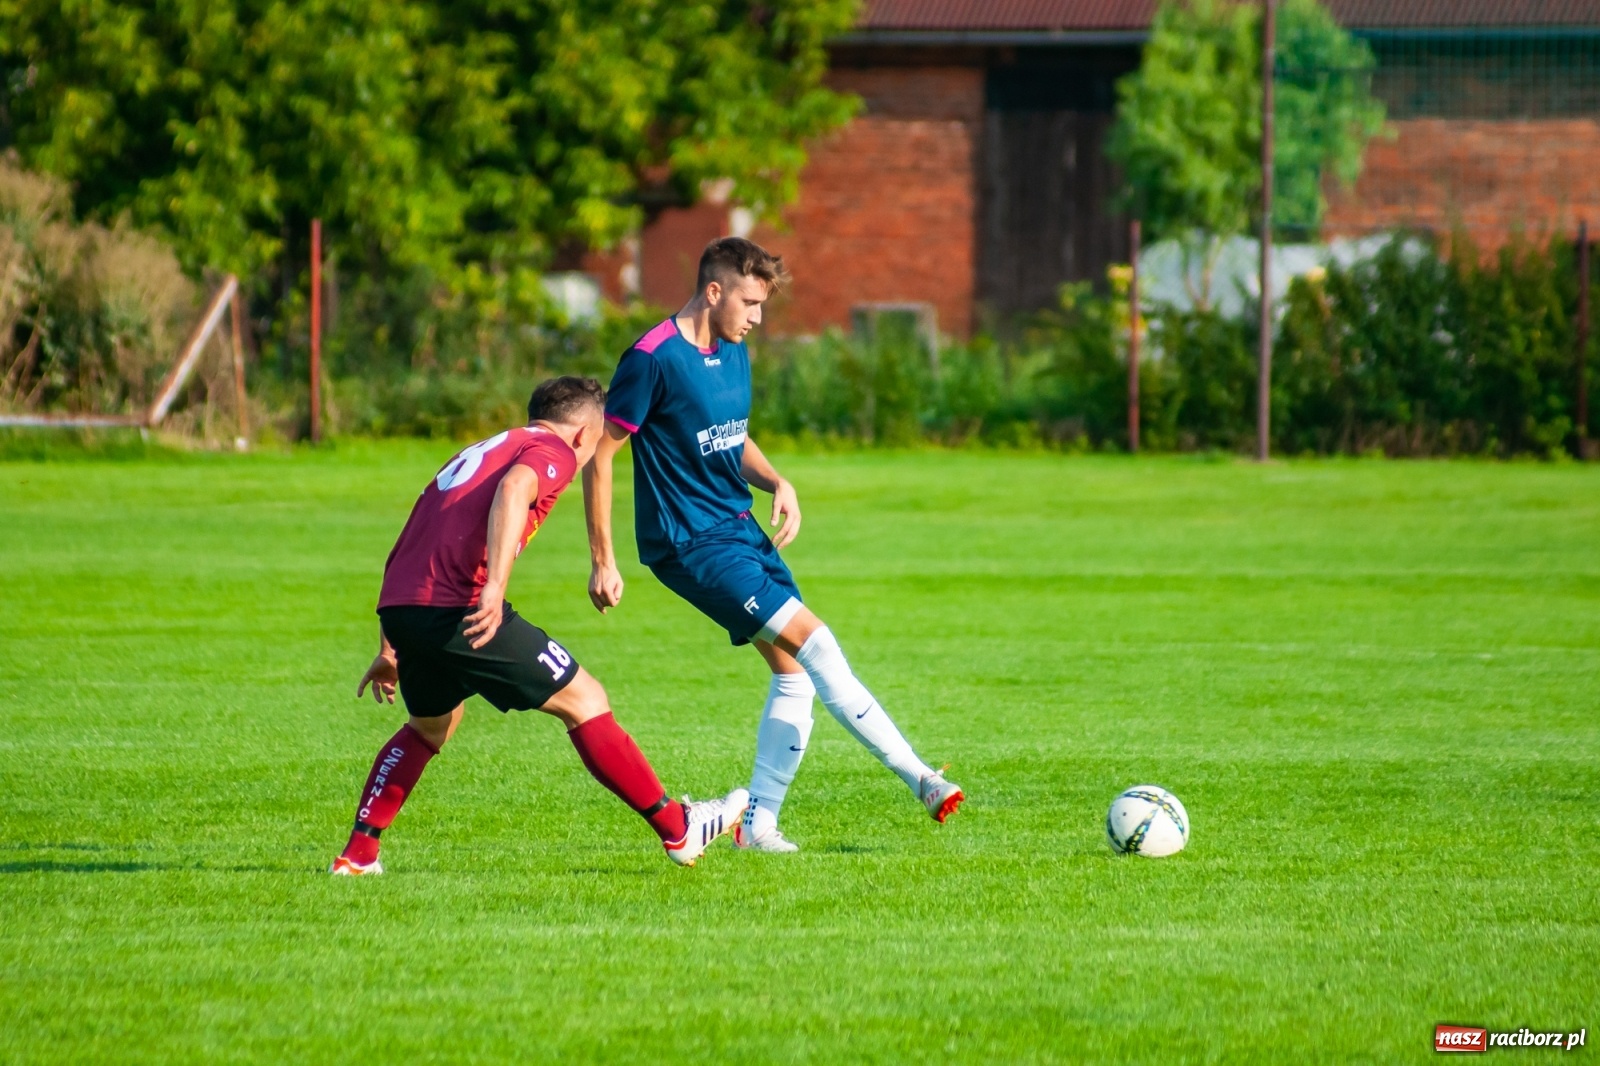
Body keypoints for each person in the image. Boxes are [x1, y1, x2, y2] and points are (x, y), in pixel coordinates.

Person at [582, 237, 963, 854]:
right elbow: (601, 456)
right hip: (690, 543)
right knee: (818, 643)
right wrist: (604, 559)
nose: (758, 318)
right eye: (751, 302)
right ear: (714, 292)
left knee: (794, 677)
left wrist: (777, 480)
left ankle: (757, 827)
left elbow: (730, 437)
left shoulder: (733, 350)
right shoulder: (652, 358)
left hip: (737, 529)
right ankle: (918, 777)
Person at [331, 376, 747, 875]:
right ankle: (678, 829)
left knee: (430, 726)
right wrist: (493, 587)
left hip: (407, 608)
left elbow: (412, 541)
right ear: (581, 434)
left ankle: (358, 856)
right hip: (461, 608)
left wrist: (391, 646)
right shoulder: (553, 449)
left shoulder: (484, 450)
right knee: (586, 701)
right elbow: (517, 487)